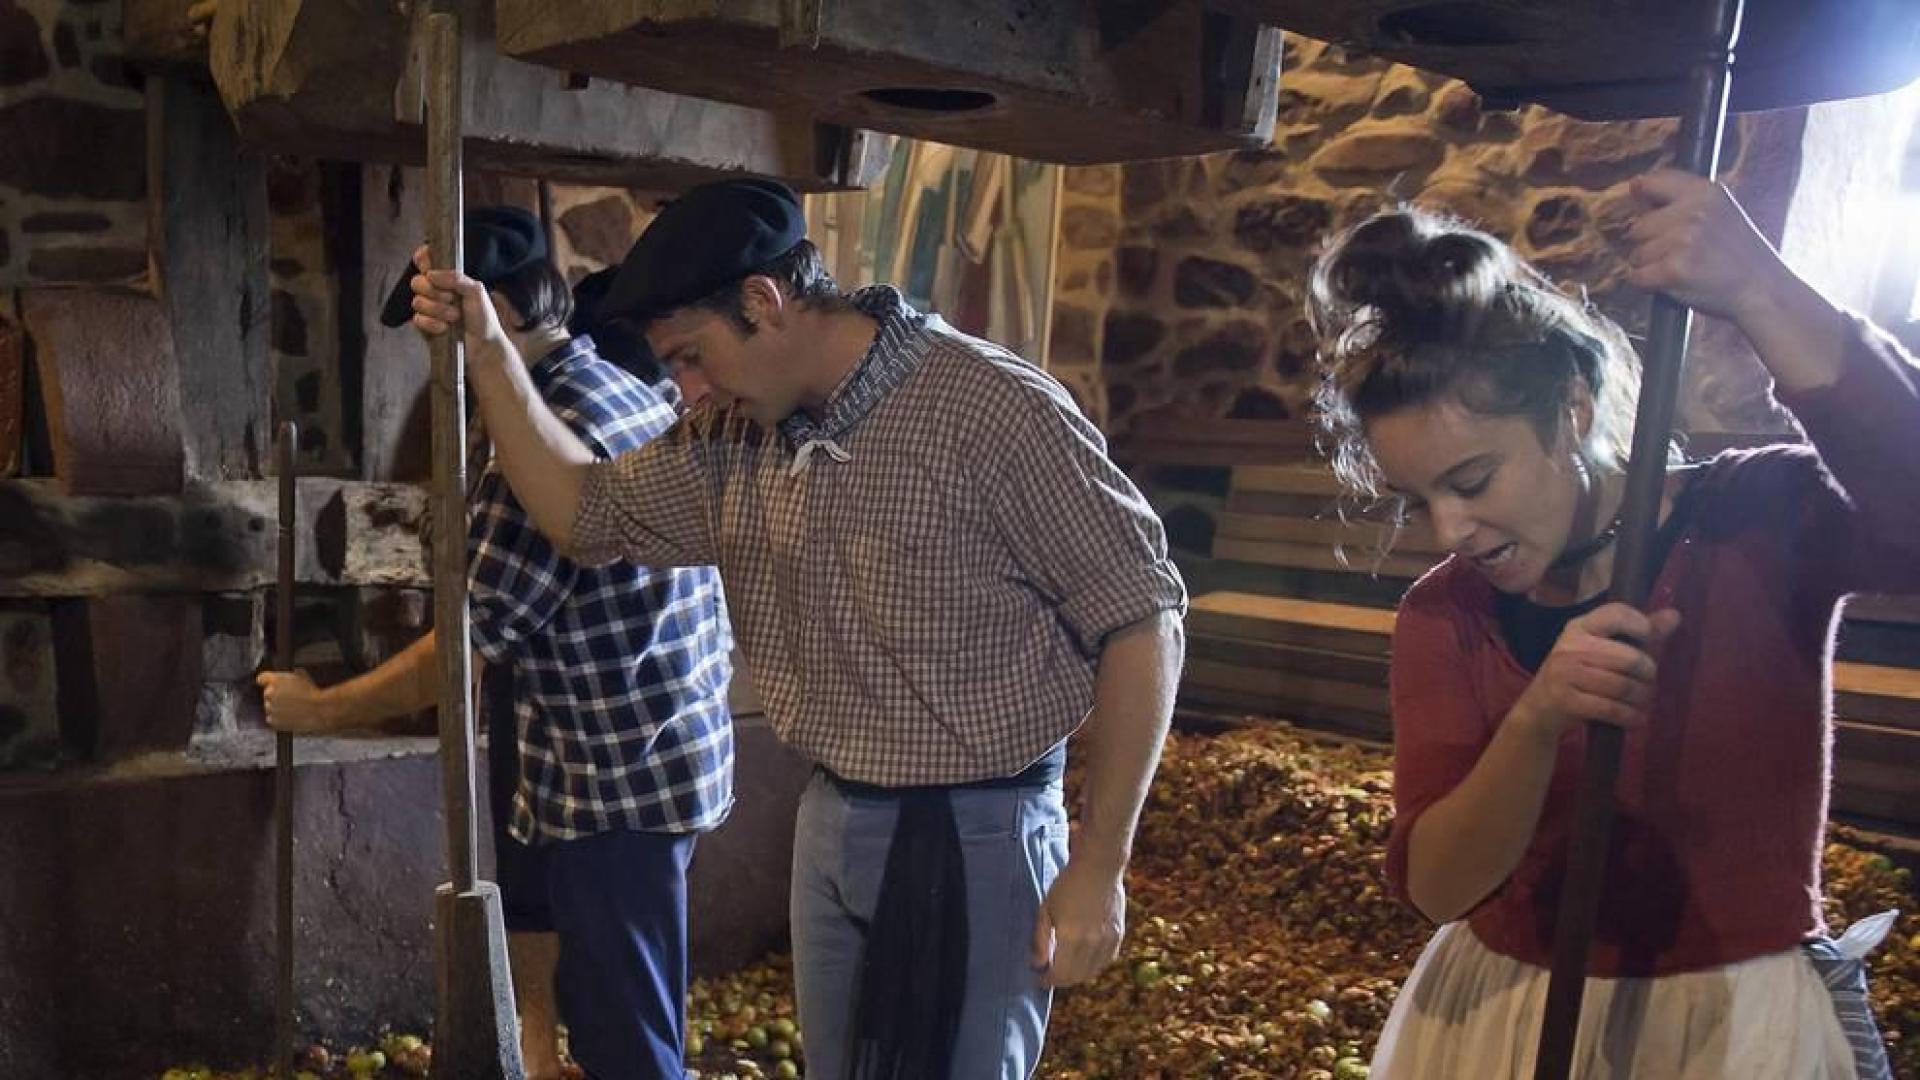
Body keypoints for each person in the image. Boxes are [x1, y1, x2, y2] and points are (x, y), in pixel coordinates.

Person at [405, 178, 1187, 1079]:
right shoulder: (736, 438)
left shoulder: (989, 410)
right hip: (833, 816)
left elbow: (1142, 620)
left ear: (763, 302)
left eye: (693, 357)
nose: (686, 393)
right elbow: (585, 512)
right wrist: (492, 351)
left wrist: (1100, 864)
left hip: (977, 827)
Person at [1307, 169, 1917, 1078]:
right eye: (1419, 497)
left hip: (1729, 1023)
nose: (1450, 531)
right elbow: (1438, 885)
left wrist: (1761, 289)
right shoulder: (1448, 615)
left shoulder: (1753, 519)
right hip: (1507, 1016)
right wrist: (1537, 721)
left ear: (1575, 410)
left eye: (1472, 482)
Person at [259, 206, 734, 1080]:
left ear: (498, 318)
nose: (436, 361)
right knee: (625, 1017)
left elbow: (463, 650)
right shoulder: (625, 388)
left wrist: (316, 706)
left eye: (442, 332)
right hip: (666, 759)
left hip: (617, 784)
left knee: (628, 1044)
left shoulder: (540, 444)